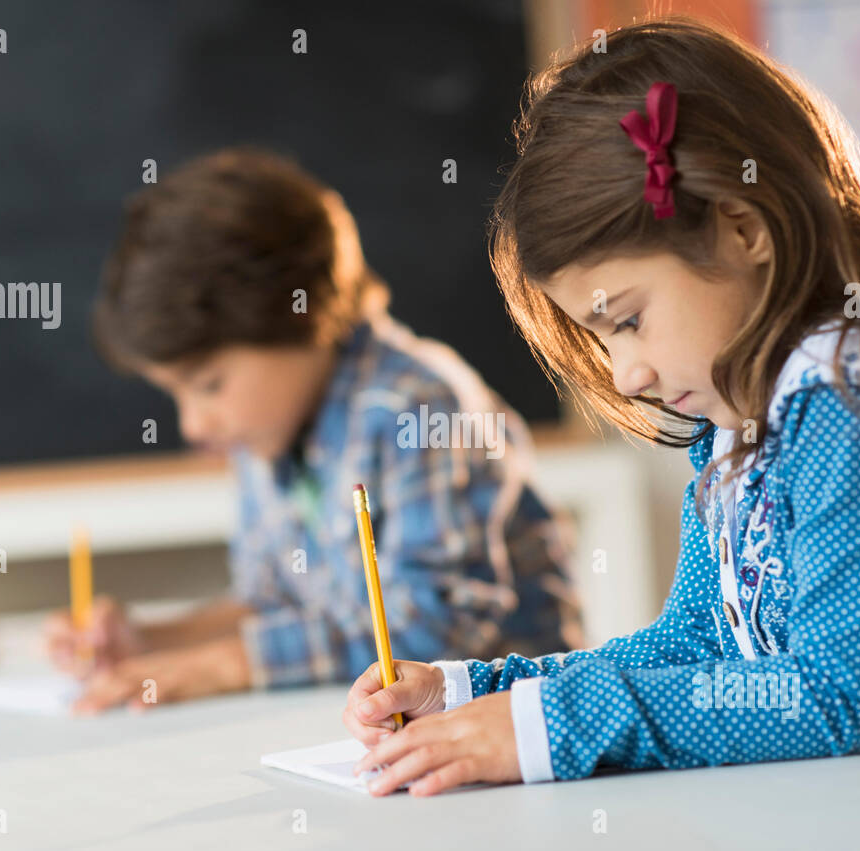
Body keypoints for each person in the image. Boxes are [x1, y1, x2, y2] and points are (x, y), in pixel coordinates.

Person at [342, 16, 860, 796]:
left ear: (743, 228)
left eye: (627, 320)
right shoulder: (745, 424)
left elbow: (838, 692)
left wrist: (554, 726)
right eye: (599, 338)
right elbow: (697, 642)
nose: (625, 372)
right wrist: (484, 694)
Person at [47, 148, 582, 712]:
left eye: (208, 385)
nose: (193, 424)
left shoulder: (417, 409)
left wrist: (226, 664)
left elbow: (438, 629)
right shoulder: (270, 432)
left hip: (508, 731)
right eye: (174, 395)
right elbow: (275, 604)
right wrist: (151, 643)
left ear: (296, 317)